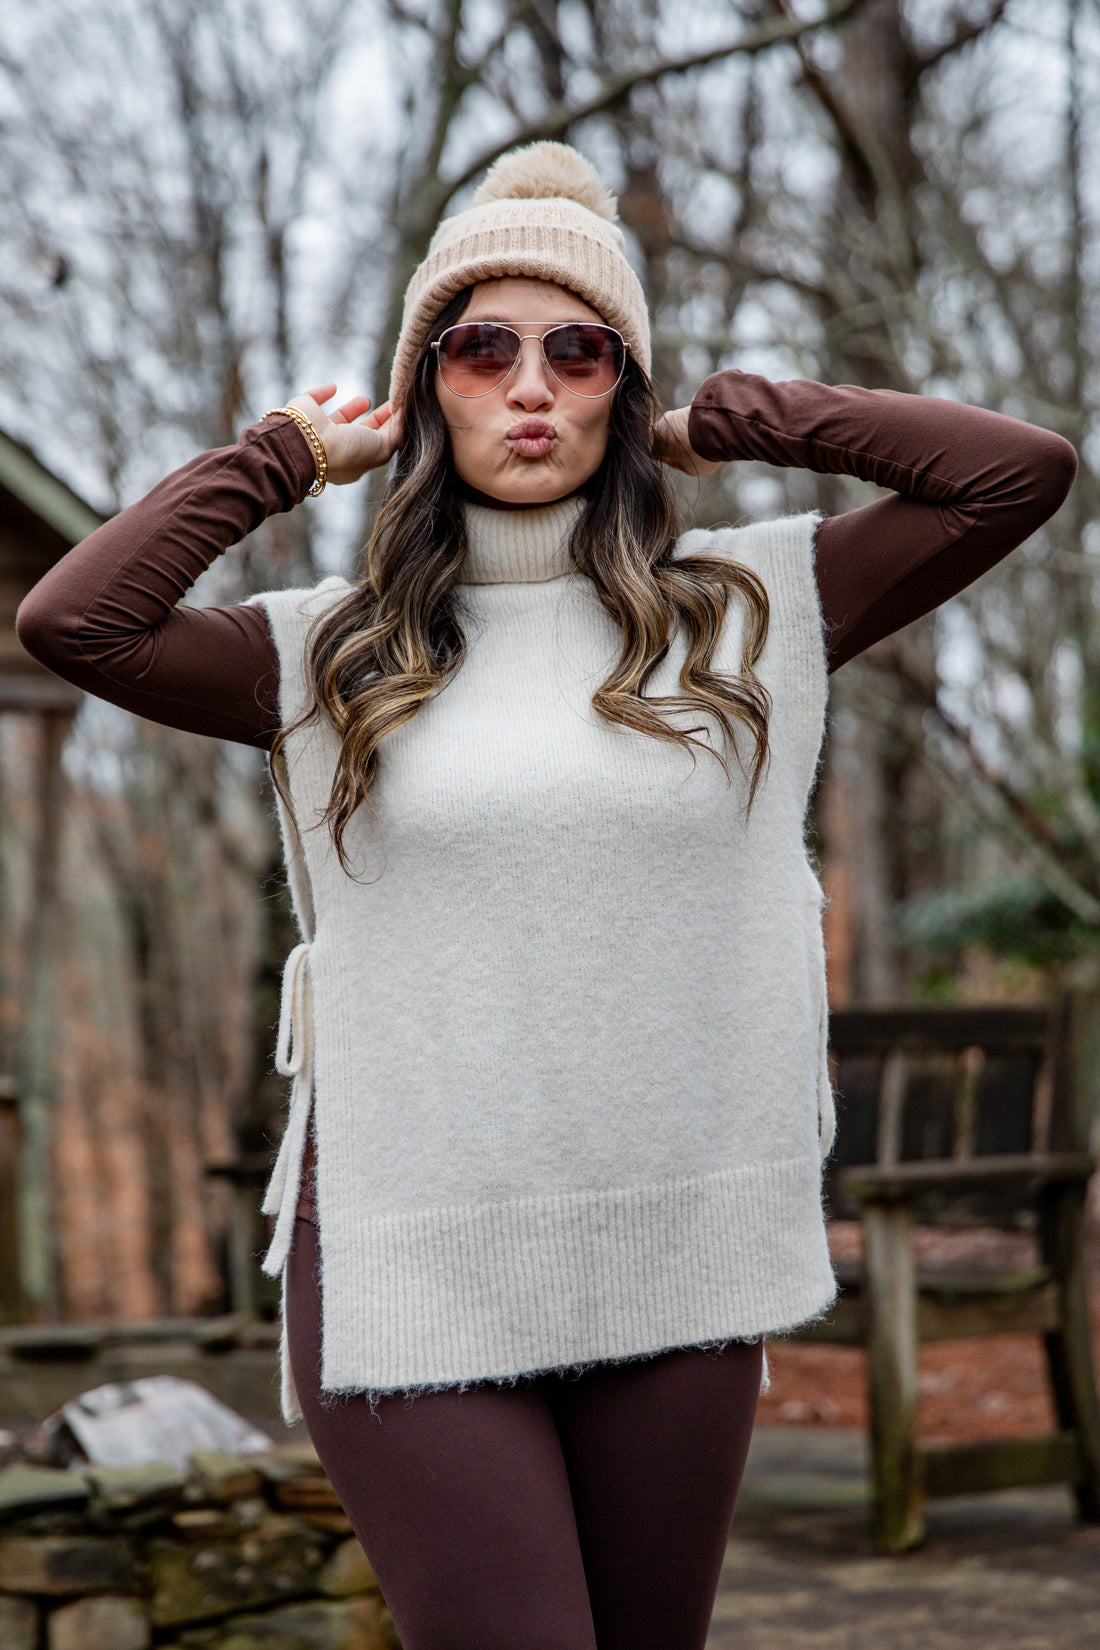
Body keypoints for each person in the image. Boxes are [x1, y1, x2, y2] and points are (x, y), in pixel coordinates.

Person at [17, 142, 1076, 1650]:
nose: (531, 387)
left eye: (579, 352)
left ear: (619, 389)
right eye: (481, 350)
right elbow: (77, 621)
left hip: (677, 1234)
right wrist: (279, 459)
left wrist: (735, 418)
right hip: (409, 1251)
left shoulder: (750, 609)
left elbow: (1018, 473)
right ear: (429, 388)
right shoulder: (326, 653)